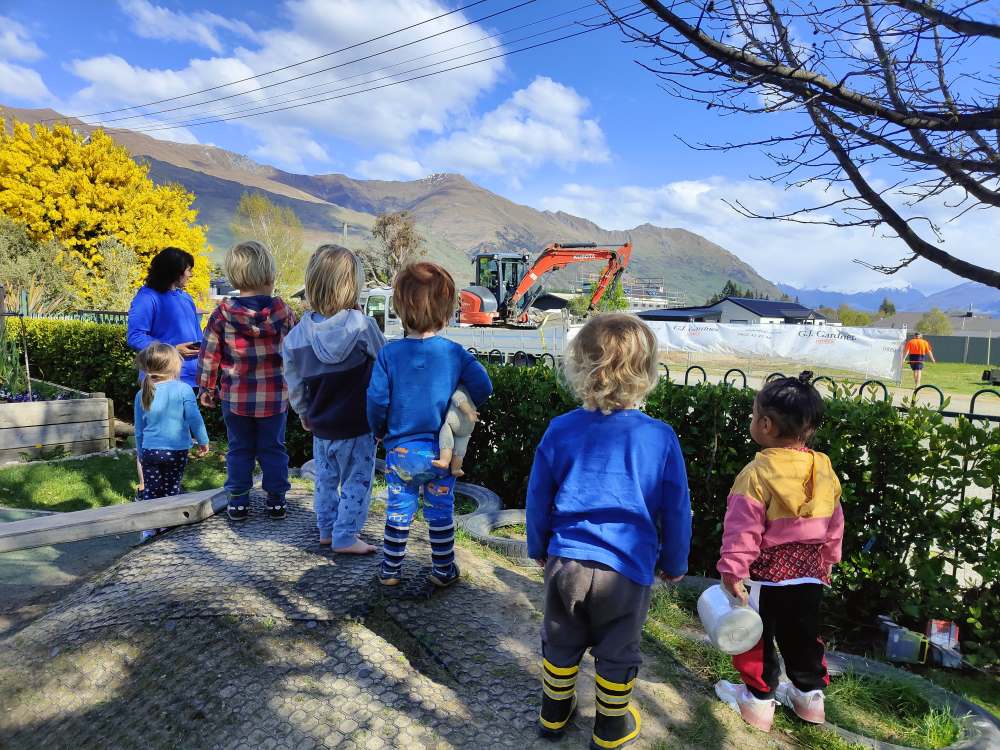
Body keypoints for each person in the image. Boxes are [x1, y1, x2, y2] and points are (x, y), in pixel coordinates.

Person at [525, 313, 692, 750]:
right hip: (627, 569)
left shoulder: (560, 429)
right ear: (646, 373)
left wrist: (538, 545)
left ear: (580, 367)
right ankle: (610, 726)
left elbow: (538, 496)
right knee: (618, 648)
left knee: (561, 636)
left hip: (567, 561)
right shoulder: (660, 437)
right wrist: (675, 561)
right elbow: (676, 508)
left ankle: (554, 711)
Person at [714, 371, 844, 733]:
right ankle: (809, 697)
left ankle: (757, 701)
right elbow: (836, 522)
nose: (752, 421)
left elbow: (743, 528)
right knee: (803, 635)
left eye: (755, 415)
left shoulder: (756, 473)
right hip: (810, 573)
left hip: (766, 577)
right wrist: (829, 560)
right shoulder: (823, 469)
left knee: (756, 638)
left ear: (767, 425)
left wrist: (733, 570)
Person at [366, 262, 493, 588]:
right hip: (443, 451)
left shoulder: (389, 354)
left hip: (401, 452)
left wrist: (379, 430)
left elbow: (377, 401)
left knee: (399, 509)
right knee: (440, 511)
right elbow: (484, 387)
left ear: (399, 308)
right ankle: (442, 570)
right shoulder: (454, 353)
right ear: (447, 312)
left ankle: (390, 571)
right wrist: (459, 398)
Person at [283, 245, 385, 553]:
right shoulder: (363, 326)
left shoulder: (296, 337)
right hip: (358, 426)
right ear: (353, 285)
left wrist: (303, 412)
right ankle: (346, 536)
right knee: (356, 482)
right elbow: (385, 365)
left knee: (325, 479)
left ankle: (326, 529)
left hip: (321, 425)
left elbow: (295, 384)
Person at [197, 241, 295, 521]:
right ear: (270, 275)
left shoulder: (222, 315)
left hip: (235, 396)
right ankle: (276, 500)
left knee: (239, 448)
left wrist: (206, 387)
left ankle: (238, 500)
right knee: (273, 448)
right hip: (275, 397)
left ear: (234, 277)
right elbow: (297, 353)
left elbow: (209, 353)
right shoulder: (284, 314)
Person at [134, 343, 210, 541]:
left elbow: (139, 429)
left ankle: (149, 529)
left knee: (151, 489)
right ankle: (169, 525)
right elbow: (194, 418)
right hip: (176, 450)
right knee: (171, 488)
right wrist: (203, 440)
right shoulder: (184, 390)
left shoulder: (141, 393)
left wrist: (141, 452)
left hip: (150, 450)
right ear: (176, 367)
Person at [127, 247, 204, 388]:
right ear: (175, 272)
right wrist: (172, 349)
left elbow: (197, 335)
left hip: (192, 379)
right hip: (161, 380)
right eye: (188, 270)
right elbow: (135, 337)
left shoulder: (186, 298)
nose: (190, 275)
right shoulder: (147, 298)